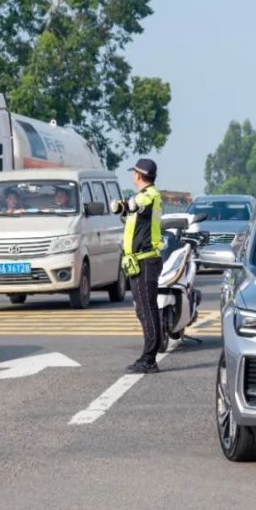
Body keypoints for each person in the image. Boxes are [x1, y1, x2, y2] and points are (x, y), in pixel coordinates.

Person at [111, 158, 164, 374]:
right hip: (138, 261)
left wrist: (127, 204)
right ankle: (149, 356)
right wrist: (122, 207)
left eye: (134, 173)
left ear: (139, 175)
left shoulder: (149, 195)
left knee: (147, 309)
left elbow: (138, 204)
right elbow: (132, 209)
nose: (133, 176)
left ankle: (149, 359)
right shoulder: (144, 197)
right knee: (142, 309)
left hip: (146, 260)